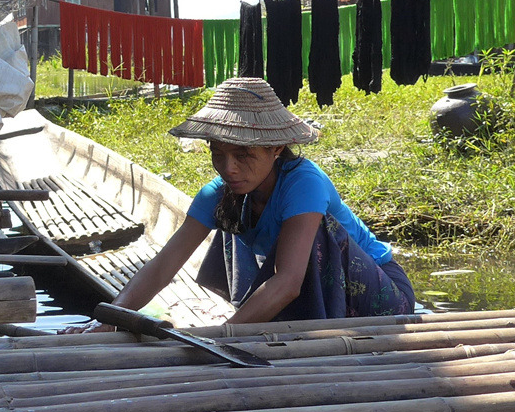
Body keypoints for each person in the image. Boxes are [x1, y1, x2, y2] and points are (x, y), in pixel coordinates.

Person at [68, 77, 414, 333]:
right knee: (230, 208)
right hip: (319, 296)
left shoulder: (303, 182)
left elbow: (289, 282)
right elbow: (162, 267)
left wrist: (224, 335)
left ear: (276, 148)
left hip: (381, 298)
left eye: (243, 155)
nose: (228, 168)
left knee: (314, 231)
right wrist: (104, 323)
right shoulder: (221, 191)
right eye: (218, 154)